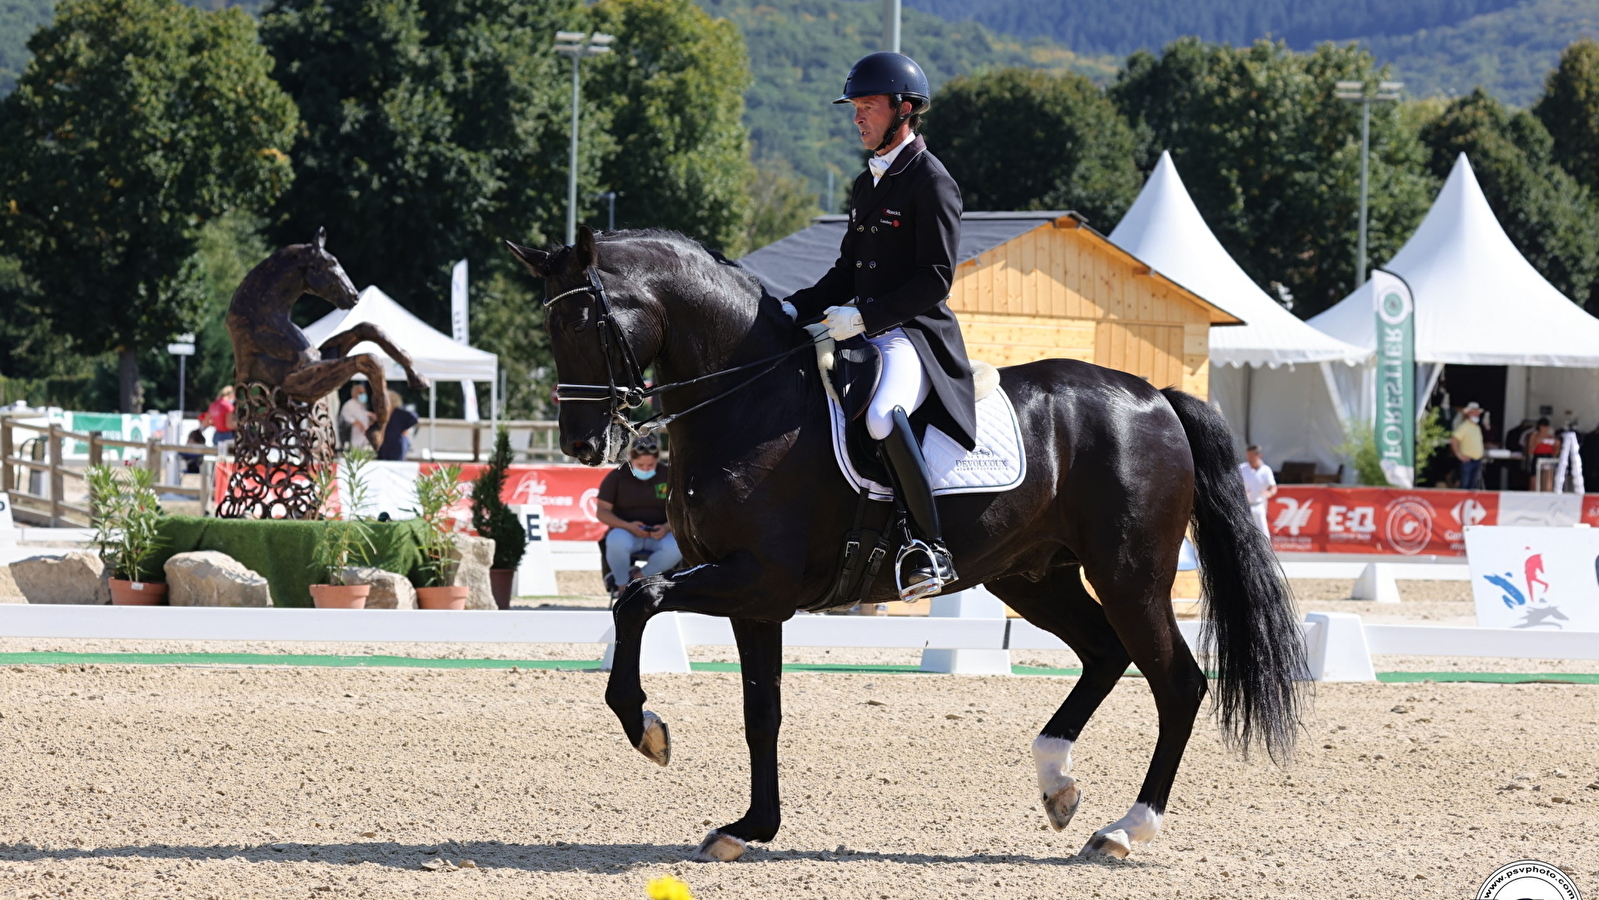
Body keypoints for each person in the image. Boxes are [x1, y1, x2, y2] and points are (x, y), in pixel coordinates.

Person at [779, 51, 974, 599]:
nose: (857, 116)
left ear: (904, 110)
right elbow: (847, 271)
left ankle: (929, 548)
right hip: (861, 330)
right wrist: (793, 308)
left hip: (914, 335)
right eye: (855, 106)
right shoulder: (868, 184)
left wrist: (865, 316)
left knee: (884, 416)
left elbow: (935, 280)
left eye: (868, 105)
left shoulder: (931, 181)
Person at [596, 436, 681, 596]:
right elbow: (602, 512)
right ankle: (622, 586)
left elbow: (681, 510)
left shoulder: (670, 475)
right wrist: (628, 526)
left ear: (657, 459)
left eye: (650, 465)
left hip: (661, 534)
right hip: (627, 531)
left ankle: (638, 579)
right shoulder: (616, 477)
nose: (646, 469)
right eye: (640, 465)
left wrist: (666, 527)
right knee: (615, 540)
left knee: (677, 546)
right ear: (631, 458)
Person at [1237, 445, 1277, 535]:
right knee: (1243, 532)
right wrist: (1241, 493)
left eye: (1251, 456)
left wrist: (1269, 493)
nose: (1249, 458)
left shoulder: (1266, 470)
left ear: (1258, 456)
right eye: (1248, 456)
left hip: (1259, 505)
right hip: (1243, 506)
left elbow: (1273, 486)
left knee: (1263, 532)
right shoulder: (1241, 468)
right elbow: (1234, 485)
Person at [1450, 401, 1486, 490]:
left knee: (1473, 486)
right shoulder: (1464, 426)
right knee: (1465, 485)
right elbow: (1454, 440)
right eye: (1474, 412)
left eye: (1477, 412)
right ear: (1469, 413)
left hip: (1477, 460)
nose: (1477, 414)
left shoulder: (1477, 427)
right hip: (1468, 461)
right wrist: (1459, 454)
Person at [377, 389, 418, 461]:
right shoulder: (383, 413)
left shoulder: (400, 413)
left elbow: (414, 418)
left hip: (396, 444)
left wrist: (404, 428)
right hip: (384, 444)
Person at [1526, 417, 1560, 489]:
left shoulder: (1551, 437)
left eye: (1546, 427)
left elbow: (1556, 453)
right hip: (1537, 457)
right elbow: (1530, 450)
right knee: (1534, 479)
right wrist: (1538, 443)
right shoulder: (1534, 436)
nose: (1544, 429)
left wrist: (1557, 445)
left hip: (1548, 458)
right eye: (1543, 426)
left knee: (1547, 479)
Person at [340, 382, 374, 451]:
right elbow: (347, 419)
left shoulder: (361, 404)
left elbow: (363, 415)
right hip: (353, 438)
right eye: (360, 393)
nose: (363, 394)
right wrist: (361, 425)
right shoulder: (349, 404)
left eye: (364, 392)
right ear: (354, 394)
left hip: (363, 438)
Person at [205, 386, 236, 458]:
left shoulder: (213, 405)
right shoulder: (228, 406)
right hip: (226, 436)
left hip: (216, 436)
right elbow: (229, 425)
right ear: (231, 395)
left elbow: (206, 422)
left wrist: (216, 423)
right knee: (227, 460)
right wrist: (241, 424)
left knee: (217, 459)